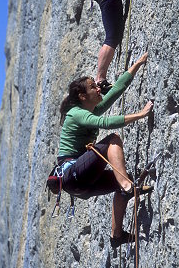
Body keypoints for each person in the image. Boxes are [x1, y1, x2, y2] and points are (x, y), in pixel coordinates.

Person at [58, 52, 153, 248]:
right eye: (93, 86)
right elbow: (106, 123)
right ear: (83, 96)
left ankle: (116, 235)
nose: (98, 87)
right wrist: (141, 115)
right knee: (113, 140)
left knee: (121, 180)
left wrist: (136, 64)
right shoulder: (76, 114)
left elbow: (115, 91)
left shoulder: (89, 109)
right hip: (72, 174)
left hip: (79, 182)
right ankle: (128, 188)